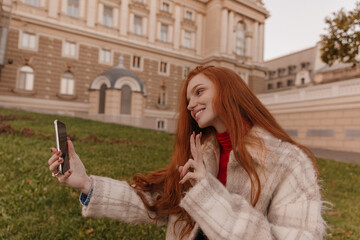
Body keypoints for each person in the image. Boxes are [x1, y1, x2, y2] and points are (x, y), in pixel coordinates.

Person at [48, 66, 326, 239]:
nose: (191, 104)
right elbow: (158, 204)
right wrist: (87, 184)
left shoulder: (289, 162)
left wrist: (207, 193)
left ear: (230, 91)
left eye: (199, 91)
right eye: (188, 99)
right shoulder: (201, 153)